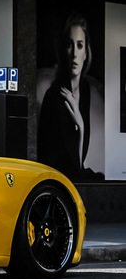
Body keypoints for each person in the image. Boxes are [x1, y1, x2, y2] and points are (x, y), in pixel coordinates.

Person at [38, 12, 103, 180]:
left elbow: (79, 162)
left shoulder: (86, 90)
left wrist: (80, 126)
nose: (74, 53)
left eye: (80, 45)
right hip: (59, 179)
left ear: (86, 52)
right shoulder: (54, 96)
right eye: (69, 44)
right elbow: (62, 162)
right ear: (63, 50)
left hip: (75, 178)